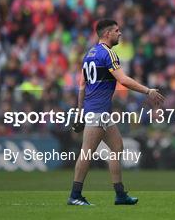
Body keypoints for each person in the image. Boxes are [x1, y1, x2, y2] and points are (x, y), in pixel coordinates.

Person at [67, 19, 165, 206]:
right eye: (117, 31)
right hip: (98, 112)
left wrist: (79, 112)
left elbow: (82, 85)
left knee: (117, 147)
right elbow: (123, 80)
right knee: (87, 152)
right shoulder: (108, 54)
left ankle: (120, 195)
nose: (120, 34)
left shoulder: (90, 53)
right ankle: (75, 195)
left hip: (98, 111)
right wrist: (148, 91)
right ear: (107, 34)